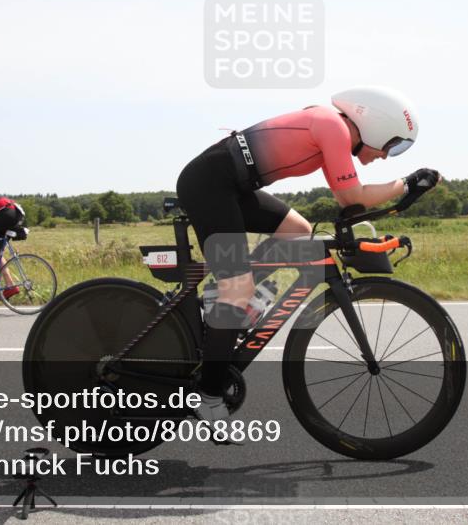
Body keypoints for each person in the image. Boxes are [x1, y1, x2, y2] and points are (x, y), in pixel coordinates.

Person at [176, 87, 440, 421]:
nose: (387, 155)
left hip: (230, 187)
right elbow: (352, 196)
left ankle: (229, 303)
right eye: (393, 145)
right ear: (376, 124)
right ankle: (208, 397)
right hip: (210, 186)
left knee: (297, 231)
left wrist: (403, 188)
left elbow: (350, 201)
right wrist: (405, 184)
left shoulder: (336, 132)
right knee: (237, 288)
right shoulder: (333, 127)